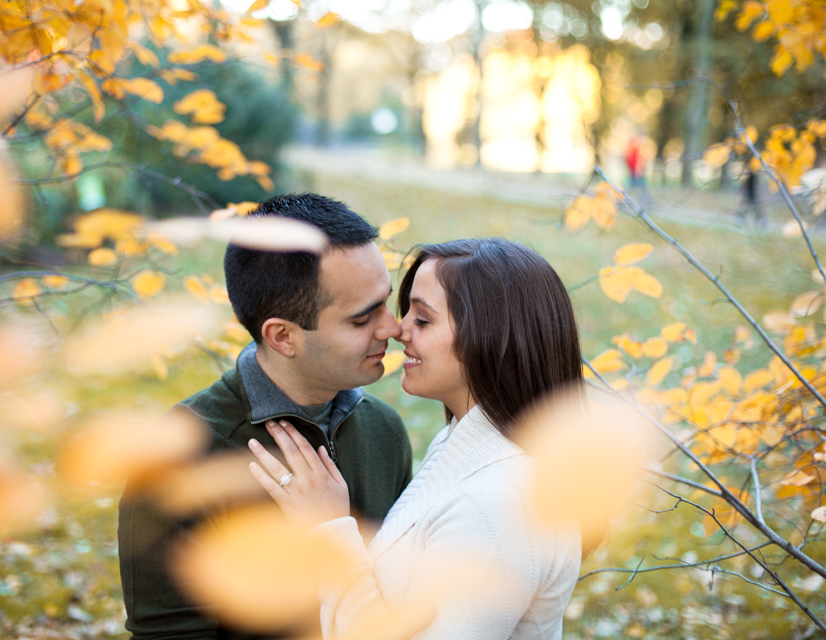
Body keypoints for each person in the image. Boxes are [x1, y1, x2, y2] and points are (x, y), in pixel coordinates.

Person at [249, 238, 584, 639]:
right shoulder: (459, 444)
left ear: (491, 338)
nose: (397, 330)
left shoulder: (502, 503)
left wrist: (330, 532)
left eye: (422, 320)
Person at [118, 194, 414, 640]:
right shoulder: (179, 458)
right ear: (282, 337)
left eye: (385, 302)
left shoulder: (383, 430)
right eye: (361, 319)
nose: (392, 328)